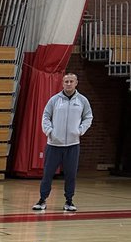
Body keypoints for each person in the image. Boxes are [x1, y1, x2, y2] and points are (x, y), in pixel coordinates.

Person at [32, 72, 92, 213]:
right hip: (54, 145)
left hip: (73, 145)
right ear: (62, 83)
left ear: (76, 83)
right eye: (66, 81)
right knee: (48, 173)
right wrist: (49, 131)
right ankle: (42, 200)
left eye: (71, 81)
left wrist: (80, 130)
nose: (69, 84)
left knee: (71, 174)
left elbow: (88, 117)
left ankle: (69, 201)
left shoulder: (82, 101)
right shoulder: (54, 100)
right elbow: (46, 116)